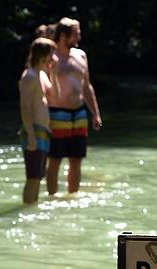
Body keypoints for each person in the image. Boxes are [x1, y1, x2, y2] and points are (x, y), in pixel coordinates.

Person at [46, 17, 102, 196]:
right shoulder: (50, 56)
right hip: (56, 112)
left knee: (76, 159)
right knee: (55, 159)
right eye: (76, 33)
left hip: (79, 113)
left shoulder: (81, 55)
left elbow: (87, 86)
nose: (79, 36)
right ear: (64, 35)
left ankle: (72, 197)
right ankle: (52, 198)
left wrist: (95, 113)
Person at [18, 37, 57, 204]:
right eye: (51, 55)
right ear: (44, 55)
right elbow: (25, 106)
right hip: (33, 131)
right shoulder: (29, 76)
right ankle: (27, 208)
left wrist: (52, 71)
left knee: (38, 177)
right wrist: (31, 134)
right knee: (33, 177)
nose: (53, 58)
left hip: (42, 130)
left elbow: (54, 95)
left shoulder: (40, 75)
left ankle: (32, 207)